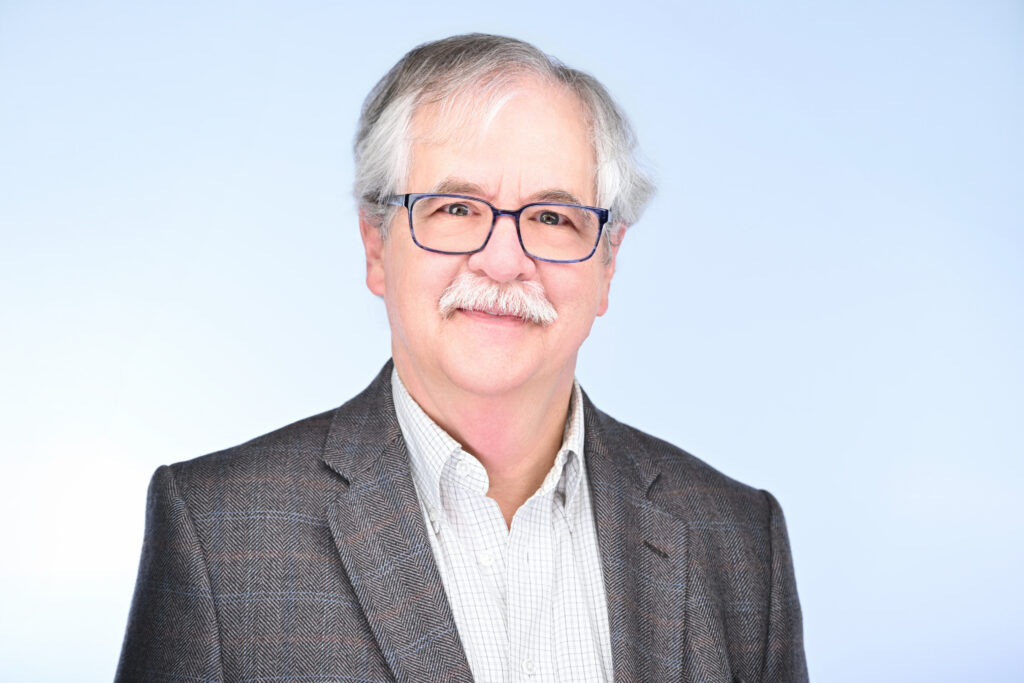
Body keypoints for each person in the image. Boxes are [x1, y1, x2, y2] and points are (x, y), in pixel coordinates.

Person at [116, 33, 807, 683]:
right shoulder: (219, 538)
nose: (504, 260)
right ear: (376, 246)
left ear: (607, 264)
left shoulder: (741, 543)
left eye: (551, 217)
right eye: (455, 208)